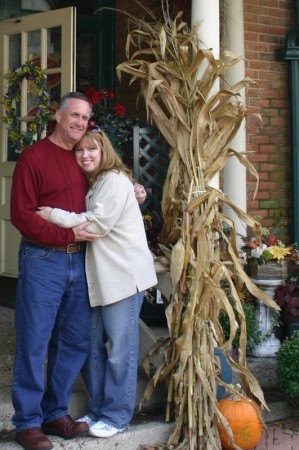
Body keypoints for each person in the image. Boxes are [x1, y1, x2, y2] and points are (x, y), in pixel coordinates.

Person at [10, 92, 147, 450]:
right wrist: (65, 233)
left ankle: (55, 412)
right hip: (43, 260)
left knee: (74, 342)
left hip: (83, 261)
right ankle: (27, 421)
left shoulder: (83, 158)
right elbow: (22, 215)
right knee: (34, 341)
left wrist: (134, 187)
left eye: (85, 118)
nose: (79, 124)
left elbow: (108, 184)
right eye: (74, 116)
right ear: (58, 116)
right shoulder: (33, 157)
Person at [37, 128, 157, 439]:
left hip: (124, 277)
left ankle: (117, 415)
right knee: (90, 346)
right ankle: (100, 406)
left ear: (105, 152)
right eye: (79, 150)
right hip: (101, 280)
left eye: (92, 149)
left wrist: (53, 215)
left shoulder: (115, 180)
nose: (86, 155)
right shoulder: (97, 182)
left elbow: (98, 225)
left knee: (120, 349)